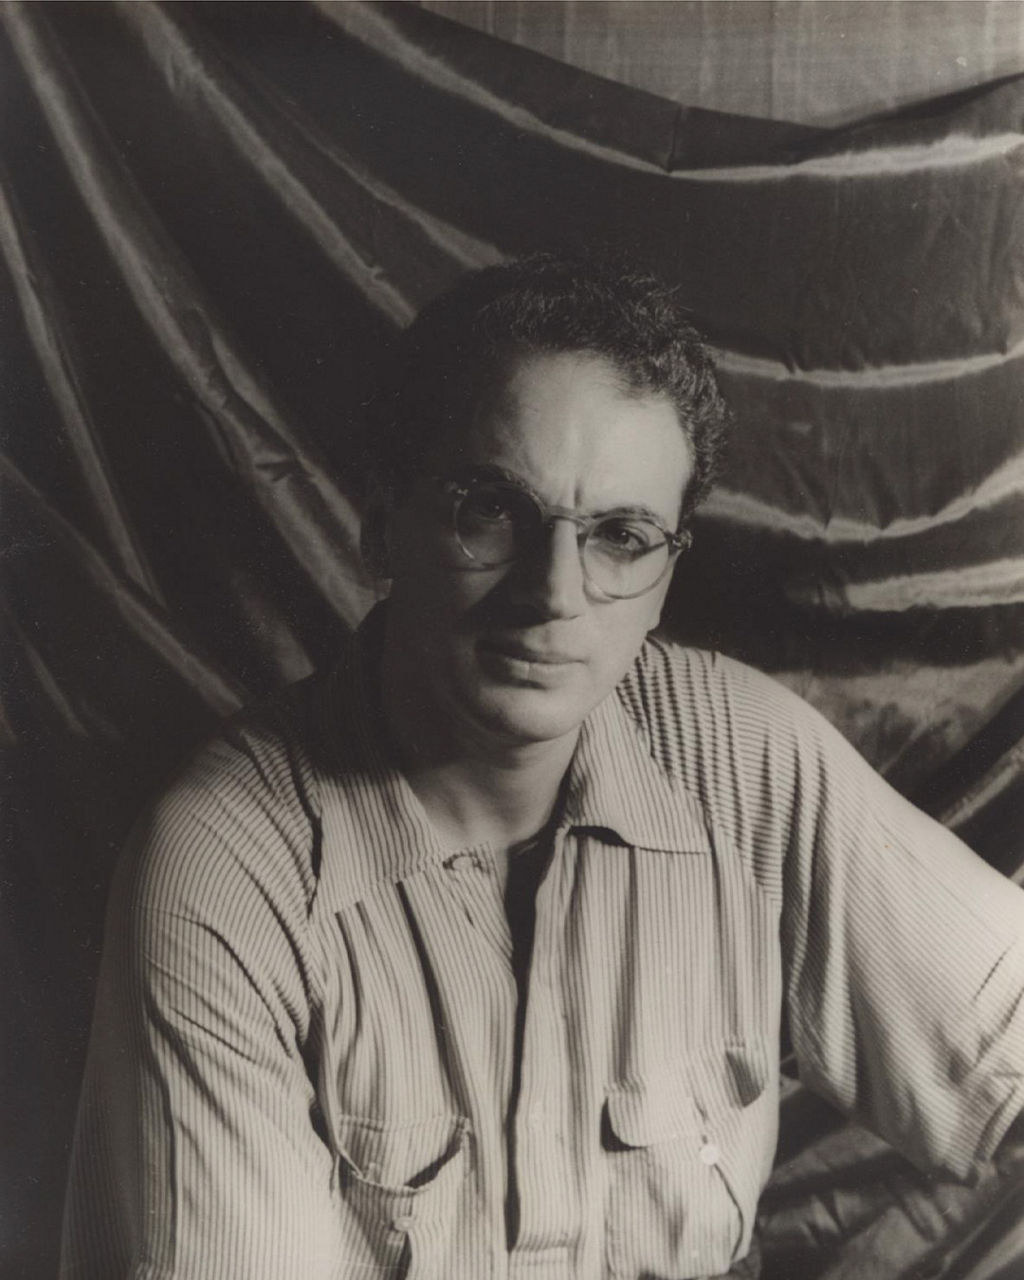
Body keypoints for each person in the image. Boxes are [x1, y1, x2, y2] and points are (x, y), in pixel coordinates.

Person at [61, 253, 1024, 1279]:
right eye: (491, 509)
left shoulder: (739, 755)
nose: (554, 591)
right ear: (383, 525)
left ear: (664, 577)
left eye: (619, 535)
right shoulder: (226, 867)